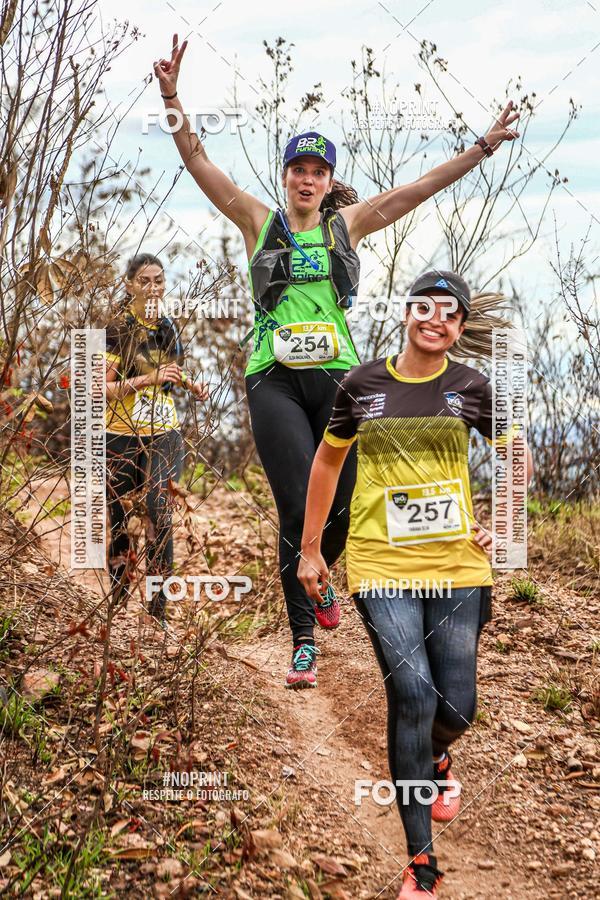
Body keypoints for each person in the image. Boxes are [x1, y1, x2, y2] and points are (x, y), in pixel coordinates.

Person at [153, 34, 520, 686]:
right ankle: (303, 639)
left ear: (328, 183)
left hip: (340, 381)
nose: (308, 179)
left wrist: (483, 146)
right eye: (299, 169)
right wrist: (173, 96)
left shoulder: (348, 225)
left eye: (318, 172)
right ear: (287, 176)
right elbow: (199, 161)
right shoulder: (257, 222)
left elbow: (422, 186)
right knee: (298, 503)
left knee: (343, 502)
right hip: (272, 377)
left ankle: (322, 571)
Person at [298, 271, 533, 896]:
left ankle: (436, 756)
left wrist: (504, 523)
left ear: (459, 326)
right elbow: (327, 460)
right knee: (413, 693)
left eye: (450, 314)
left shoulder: (471, 386)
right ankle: (421, 864)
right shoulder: (362, 384)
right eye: (425, 307)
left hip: (457, 565)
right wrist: (311, 549)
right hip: (382, 563)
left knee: (456, 705)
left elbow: (517, 454)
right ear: (407, 312)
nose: (436, 320)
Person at [104, 253, 208, 622]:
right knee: (118, 518)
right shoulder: (117, 328)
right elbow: (103, 388)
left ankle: (157, 610)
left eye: (159, 281)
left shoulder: (168, 325)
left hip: (164, 431)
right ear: (129, 284)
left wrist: (193, 385)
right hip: (119, 435)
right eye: (144, 281)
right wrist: (147, 379)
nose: (152, 288)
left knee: (159, 513)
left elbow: (170, 375)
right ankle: (116, 598)